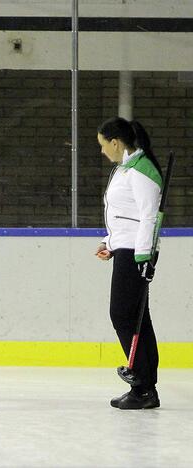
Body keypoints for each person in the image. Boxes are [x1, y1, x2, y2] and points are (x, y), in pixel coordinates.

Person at [95, 117, 163, 410]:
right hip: (126, 249)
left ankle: (143, 385)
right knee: (136, 319)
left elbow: (149, 217)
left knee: (122, 316)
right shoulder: (125, 170)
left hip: (137, 253)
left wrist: (144, 256)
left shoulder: (141, 171)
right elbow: (126, 218)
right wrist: (109, 244)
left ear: (116, 142)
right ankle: (145, 387)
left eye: (103, 145)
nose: (102, 151)